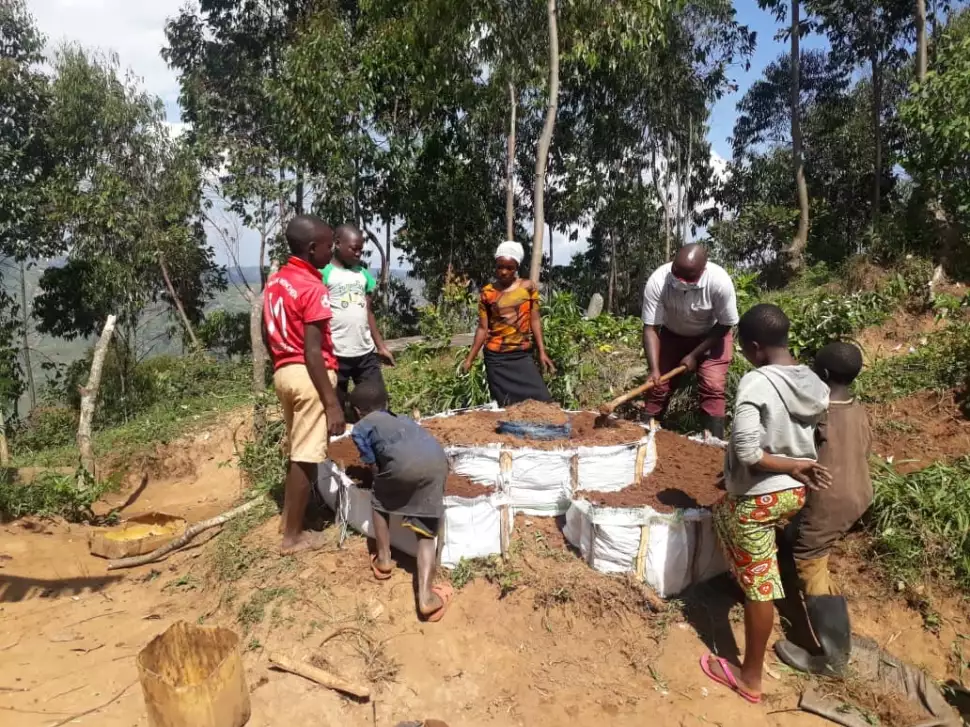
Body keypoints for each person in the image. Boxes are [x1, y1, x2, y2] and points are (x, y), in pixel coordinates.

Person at [701, 303, 831, 704]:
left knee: (760, 587)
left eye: (743, 350)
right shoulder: (811, 380)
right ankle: (748, 574)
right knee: (723, 511)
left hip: (764, 495)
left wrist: (788, 464)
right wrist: (792, 465)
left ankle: (749, 677)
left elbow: (747, 449)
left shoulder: (758, 381)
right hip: (793, 492)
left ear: (755, 347)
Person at [775, 341, 872, 675]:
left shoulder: (818, 412)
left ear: (825, 373)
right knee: (797, 534)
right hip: (859, 491)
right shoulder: (857, 408)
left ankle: (833, 658)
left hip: (830, 499)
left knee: (809, 562)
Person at [262, 214, 345, 555]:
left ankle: (290, 519)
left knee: (299, 449)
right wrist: (331, 402)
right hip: (309, 375)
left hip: (284, 372)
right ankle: (293, 537)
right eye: (329, 246)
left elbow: (267, 334)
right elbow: (313, 350)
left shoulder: (277, 282)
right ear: (312, 249)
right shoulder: (313, 288)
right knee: (306, 454)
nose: (332, 250)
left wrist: (282, 363)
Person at [349, 380, 454, 622]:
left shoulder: (361, 427)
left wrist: (386, 483)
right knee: (426, 533)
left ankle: (384, 559)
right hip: (437, 463)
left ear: (356, 412)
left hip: (402, 468)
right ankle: (426, 597)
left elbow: (373, 464)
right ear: (387, 404)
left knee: (379, 501)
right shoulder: (404, 419)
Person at [641, 243, 739, 439]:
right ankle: (645, 432)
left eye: (689, 278)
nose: (681, 282)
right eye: (677, 275)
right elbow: (651, 328)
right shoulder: (658, 281)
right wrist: (654, 370)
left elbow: (726, 323)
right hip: (672, 335)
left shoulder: (719, 282)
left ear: (703, 269)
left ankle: (714, 441)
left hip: (712, 336)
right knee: (657, 385)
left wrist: (694, 355)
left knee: (712, 385)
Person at [462, 241, 556, 405]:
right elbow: (483, 328)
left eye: (509, 268)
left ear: (516, 268)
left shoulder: (528, 288)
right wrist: (470, 358)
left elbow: (534, 319)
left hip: (521, 355)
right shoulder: (488, 293)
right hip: (496, 359)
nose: (504, 272)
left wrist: (542, 351)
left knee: (542, 402)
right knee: (509, 407)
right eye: (500, 267)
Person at [322, 223, 395, 415]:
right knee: (336, 409)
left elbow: (368, 312)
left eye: (361, 250)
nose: (358, 254)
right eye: (354, 249)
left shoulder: (362, 275)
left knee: (377, 403)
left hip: (365, 353)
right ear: (337, 244)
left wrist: (380, 347)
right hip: (336, 354)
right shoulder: (324, 274)